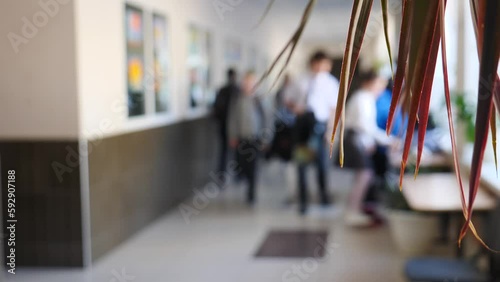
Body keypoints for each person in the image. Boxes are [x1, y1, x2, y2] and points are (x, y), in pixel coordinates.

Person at [285, 51, 339, 214]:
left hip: (320, 125)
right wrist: (296, 109)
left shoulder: (331, 83)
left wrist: (331, 131)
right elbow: (288, 99)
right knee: (302, 162)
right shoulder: (300, 80)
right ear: (313, 63)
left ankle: (323, 196)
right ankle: (303, 199)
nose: (324, 67)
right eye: (321, 64)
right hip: (303, 125)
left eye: (326, 64)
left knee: (321, 163)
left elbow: (333, 108)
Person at [341, 70, 393, 227]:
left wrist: (371, 142)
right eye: (379, 84)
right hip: (355, 140)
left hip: (359, 139)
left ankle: (356, 208)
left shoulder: (366, 98)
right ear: (369, 83)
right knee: (364, 175)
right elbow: (364, 125)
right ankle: (353, 211)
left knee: (363, 176)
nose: (381, 88)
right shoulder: (363, 98)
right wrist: (387, 140)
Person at [228, 71, 266, 205]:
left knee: (254, 166)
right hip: (241, 138)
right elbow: (232, 119)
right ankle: (245, 179)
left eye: (251, 83)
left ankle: (252, 193)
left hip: (255, 138)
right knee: (243, 164)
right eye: (246, 83)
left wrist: (265, 137)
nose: (248, 86)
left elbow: (265, 118)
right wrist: (232, 135)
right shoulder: (238, 99)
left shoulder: (259, 100)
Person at [213, 68, 239, 176]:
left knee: (224, 151)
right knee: (235, 151)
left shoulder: (224, 91)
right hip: (230, 126)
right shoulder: (236, 91)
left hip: (225, 126)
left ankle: (222, 174)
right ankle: (235, 173)